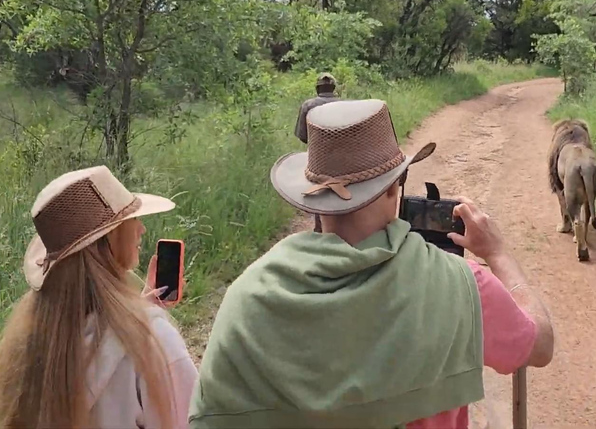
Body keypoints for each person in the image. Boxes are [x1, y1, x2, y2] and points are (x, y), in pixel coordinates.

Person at [189, 99, 554, 428]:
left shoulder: (248, 296)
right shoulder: (460, 286)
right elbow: (539, 345)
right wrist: (498, 255)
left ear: (311, 201)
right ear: (395, 187)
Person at [0, 165, 198, 428]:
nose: (141, 229)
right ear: (109, 239)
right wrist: (143, 321)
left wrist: (137, 309)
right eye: (130, 221)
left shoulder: (27, 342)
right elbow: (195, 419)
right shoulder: (153, 341)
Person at [295, 72, 339, 233]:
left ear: (317, 89)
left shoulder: (308, 105)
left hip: (318, 156)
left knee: (319, 187)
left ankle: (321, 226)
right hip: (344, 154)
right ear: (334, 88)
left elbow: (302, 136)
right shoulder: (344, 104)